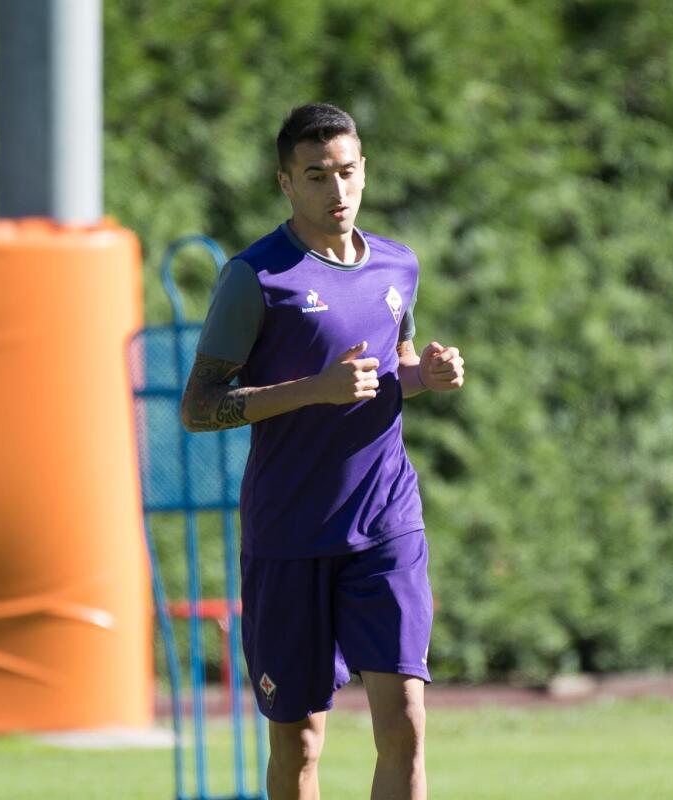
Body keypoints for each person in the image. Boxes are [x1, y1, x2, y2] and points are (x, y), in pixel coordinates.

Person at [181, 103, 464, 800]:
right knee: (301, 745)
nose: (335, 193)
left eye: (345, 173)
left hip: (386, 523)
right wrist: (315, 389)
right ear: (285, 182)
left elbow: (385, 368)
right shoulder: (256, 278)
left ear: (363, 170)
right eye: (315, 177)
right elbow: (199, 408)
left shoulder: (399, 266)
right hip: (290, 534)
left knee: (405, 725)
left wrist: (421, 375)